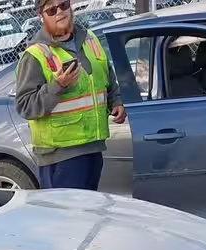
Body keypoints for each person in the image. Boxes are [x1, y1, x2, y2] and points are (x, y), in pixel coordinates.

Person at [14, 0, 127, 191]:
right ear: (41, 16)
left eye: (64, 5)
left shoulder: (90, 39)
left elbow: (106, 78)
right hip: (61, 157)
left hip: (93, 148)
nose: (60, 12)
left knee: (88, 216)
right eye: (52, 10)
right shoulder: (35, 55)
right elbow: (25, 106)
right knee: (70, 218)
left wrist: (116, 101)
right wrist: (58, 85)